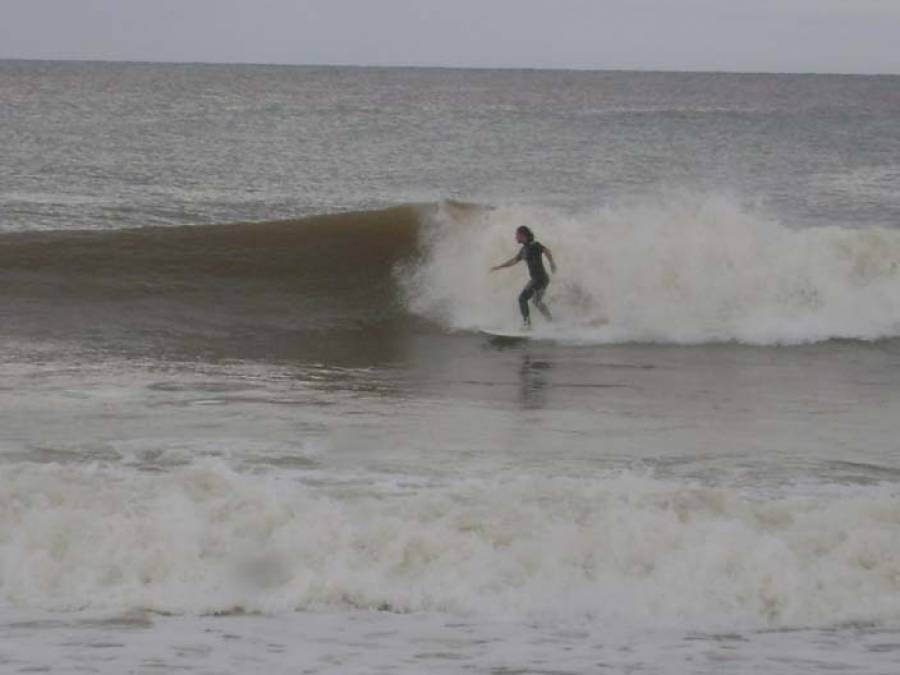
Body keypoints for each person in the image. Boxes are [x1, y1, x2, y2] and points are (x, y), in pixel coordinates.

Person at [490, 225, 557, 328]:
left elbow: (546, 251)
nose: (515, 237)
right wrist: (499, 267)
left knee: (522, 298)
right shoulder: (524, 250)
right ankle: (550, 321)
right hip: (541, 279)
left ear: (522, 235)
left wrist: (552, 263)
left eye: (517, 235)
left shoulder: (534, 245)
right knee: (536, 302)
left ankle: (527, 325)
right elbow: (513, 261)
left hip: (539, 279)